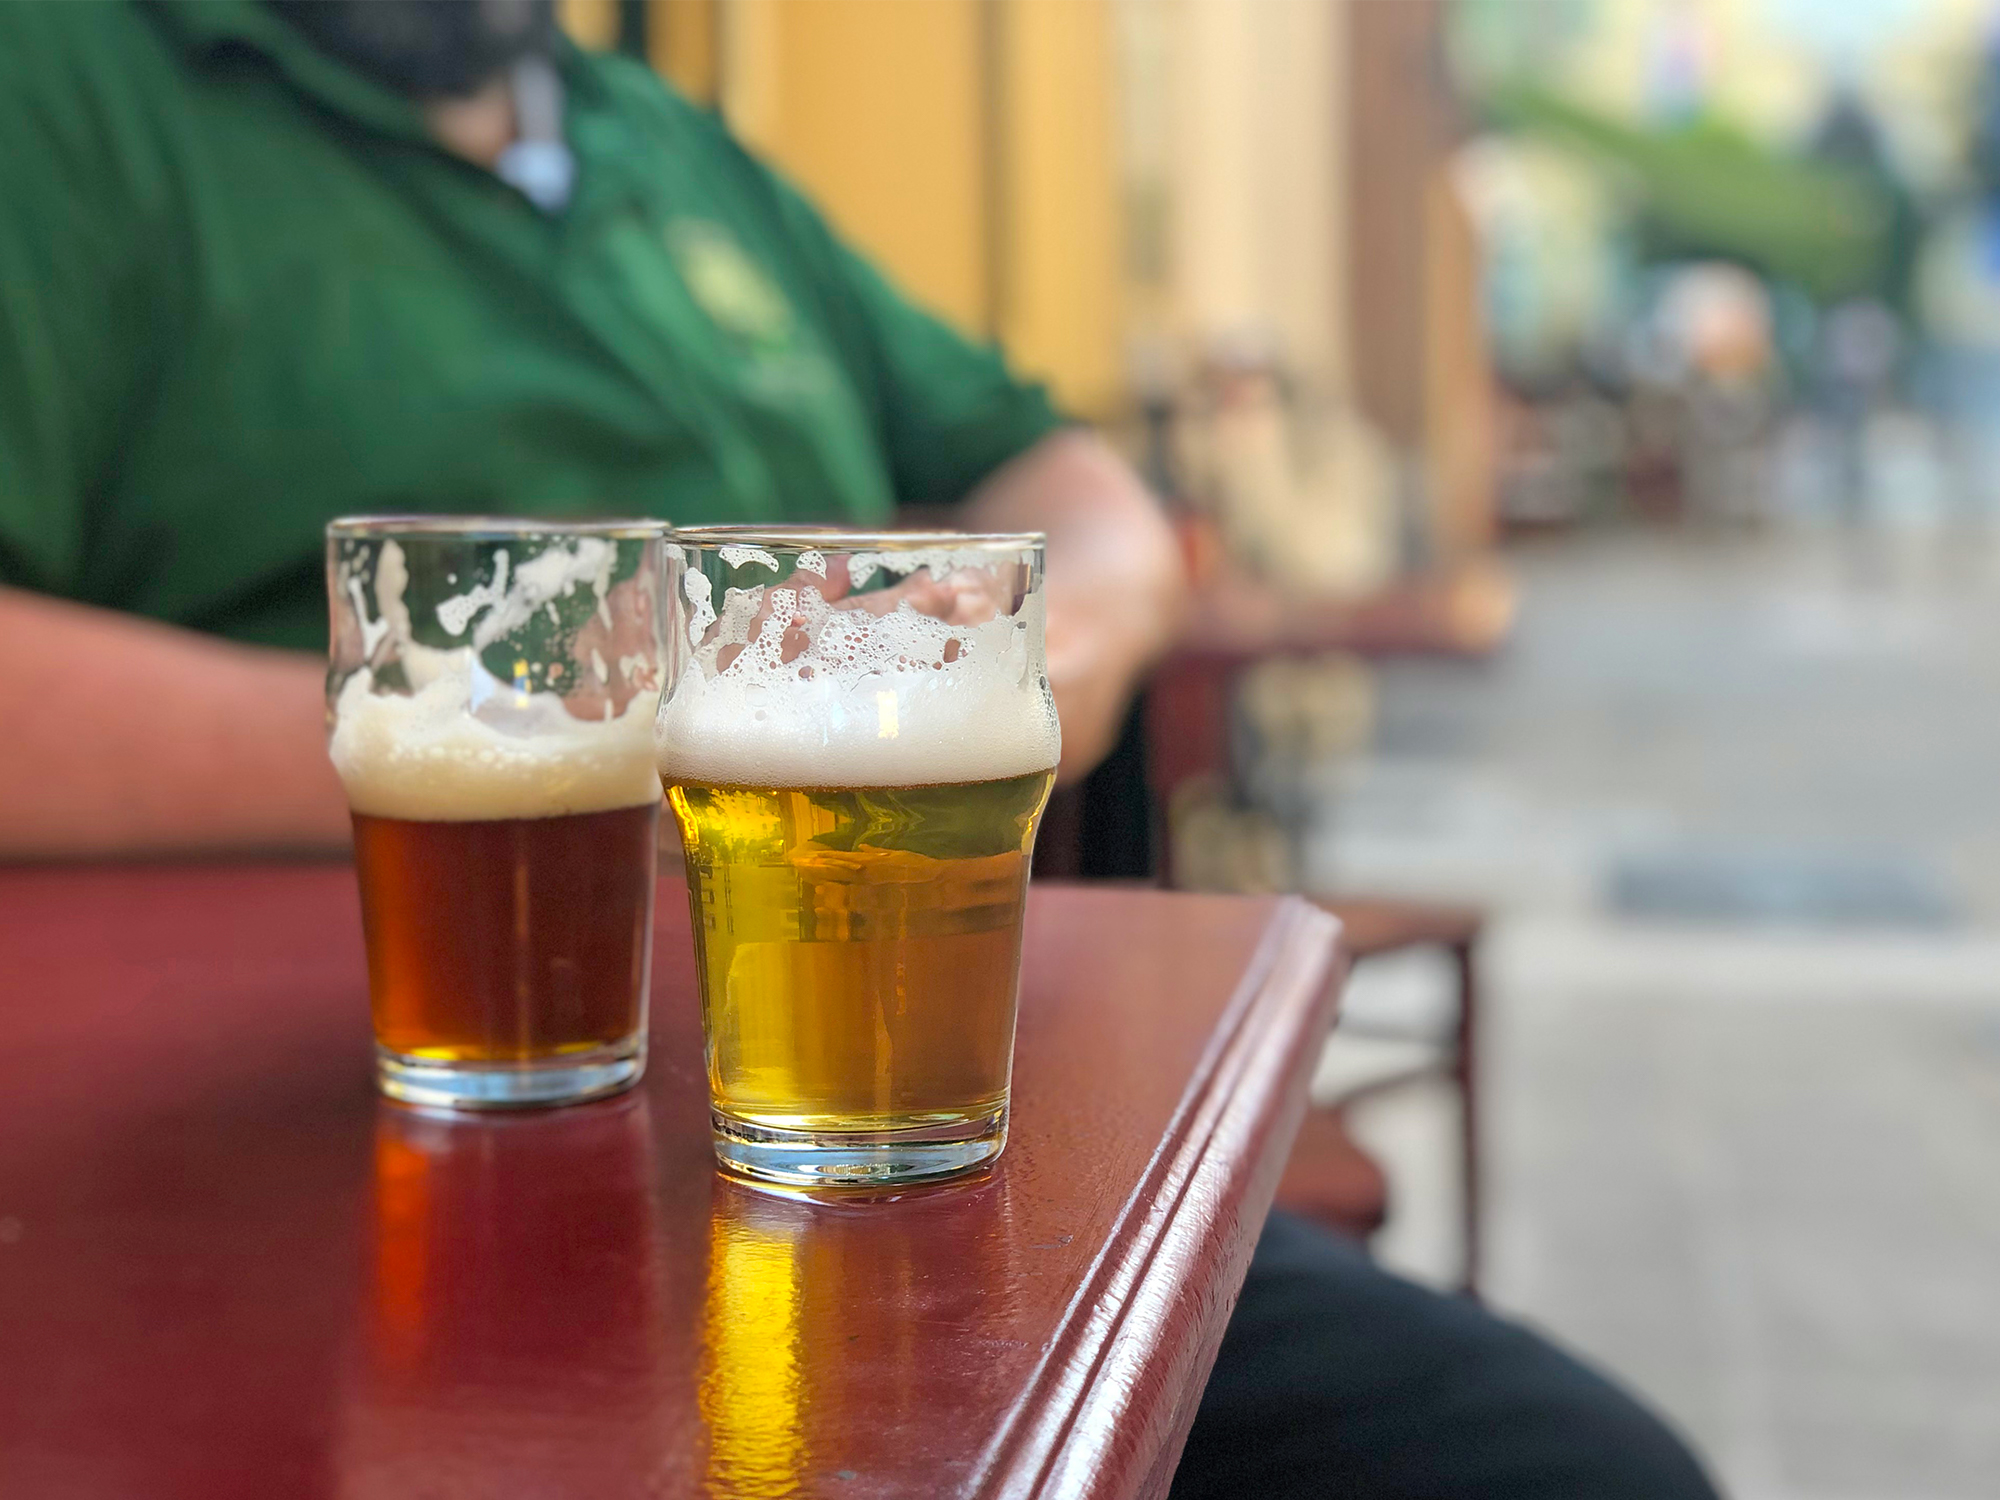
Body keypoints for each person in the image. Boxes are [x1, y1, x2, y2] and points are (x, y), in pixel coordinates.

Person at [0, 6, 1719, 1498]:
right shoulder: (70, 71)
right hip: (377, 1169)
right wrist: (525, 729)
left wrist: (1047, 661)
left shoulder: (650, 133)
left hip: (887, 1114)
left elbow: (1053, 465)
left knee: (1579, 1471)